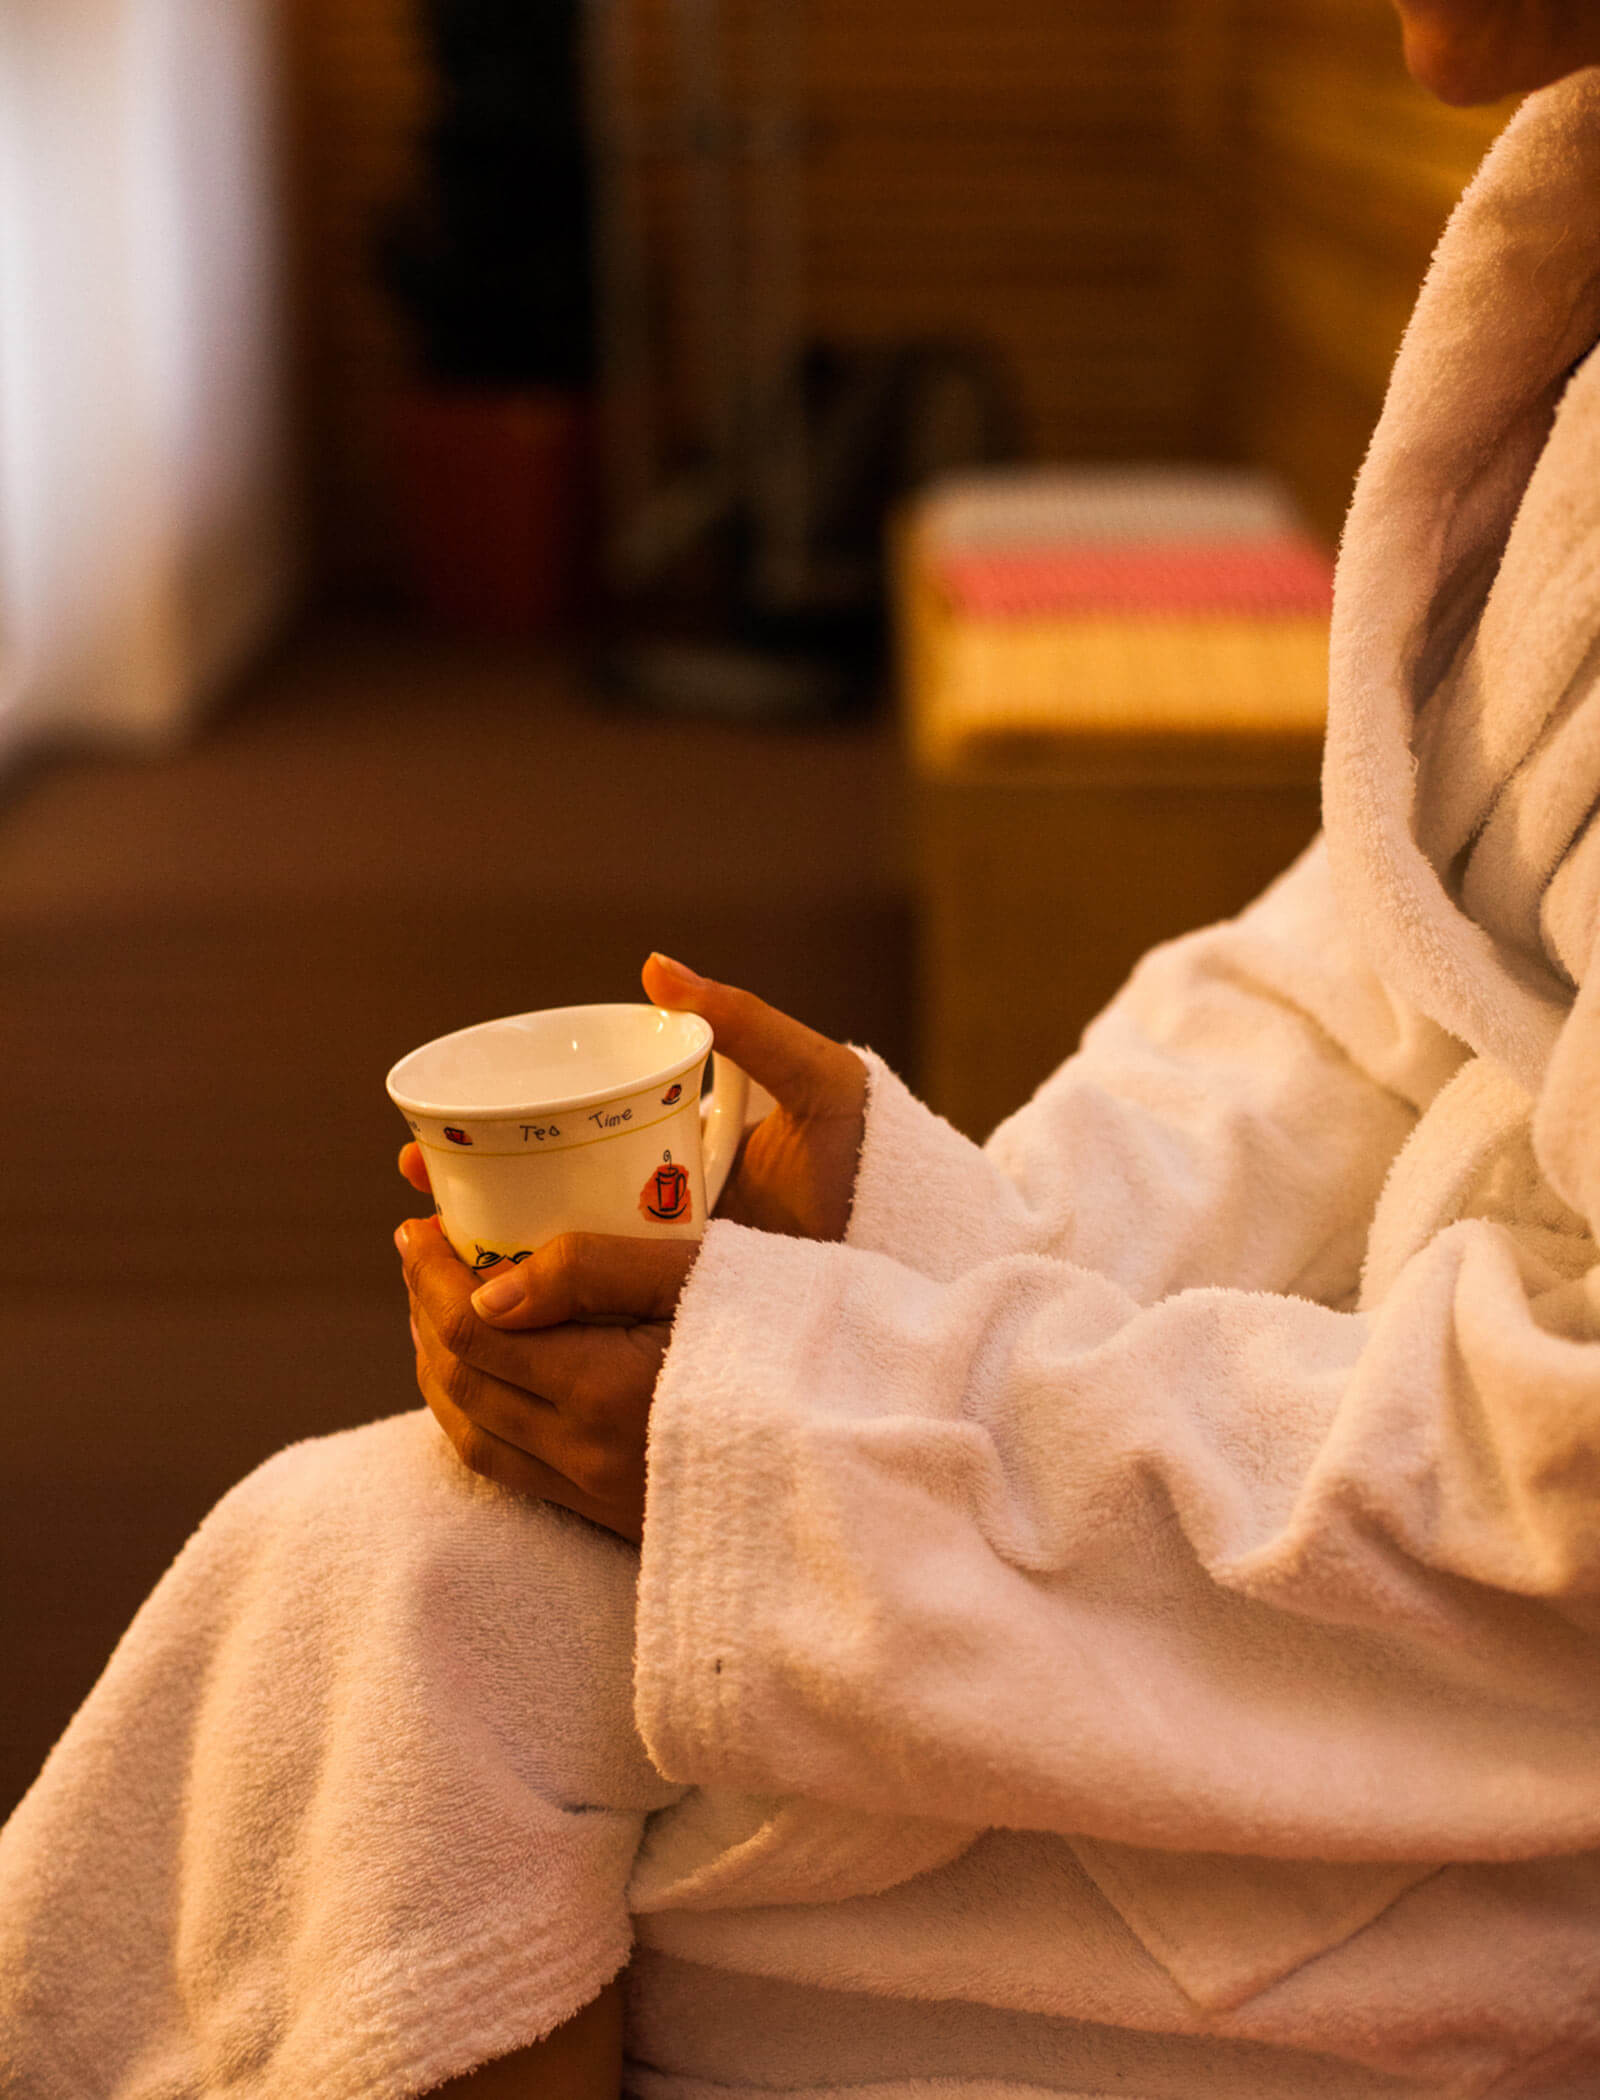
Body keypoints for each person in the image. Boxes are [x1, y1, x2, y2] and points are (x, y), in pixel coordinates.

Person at [8, 1, 1600, 2094]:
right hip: (1356, 1539)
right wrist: (895, 1217)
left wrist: (843, 1441)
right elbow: (1370, 980)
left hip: (1500, 1787)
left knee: (399, 1615)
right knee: (388, 1580)